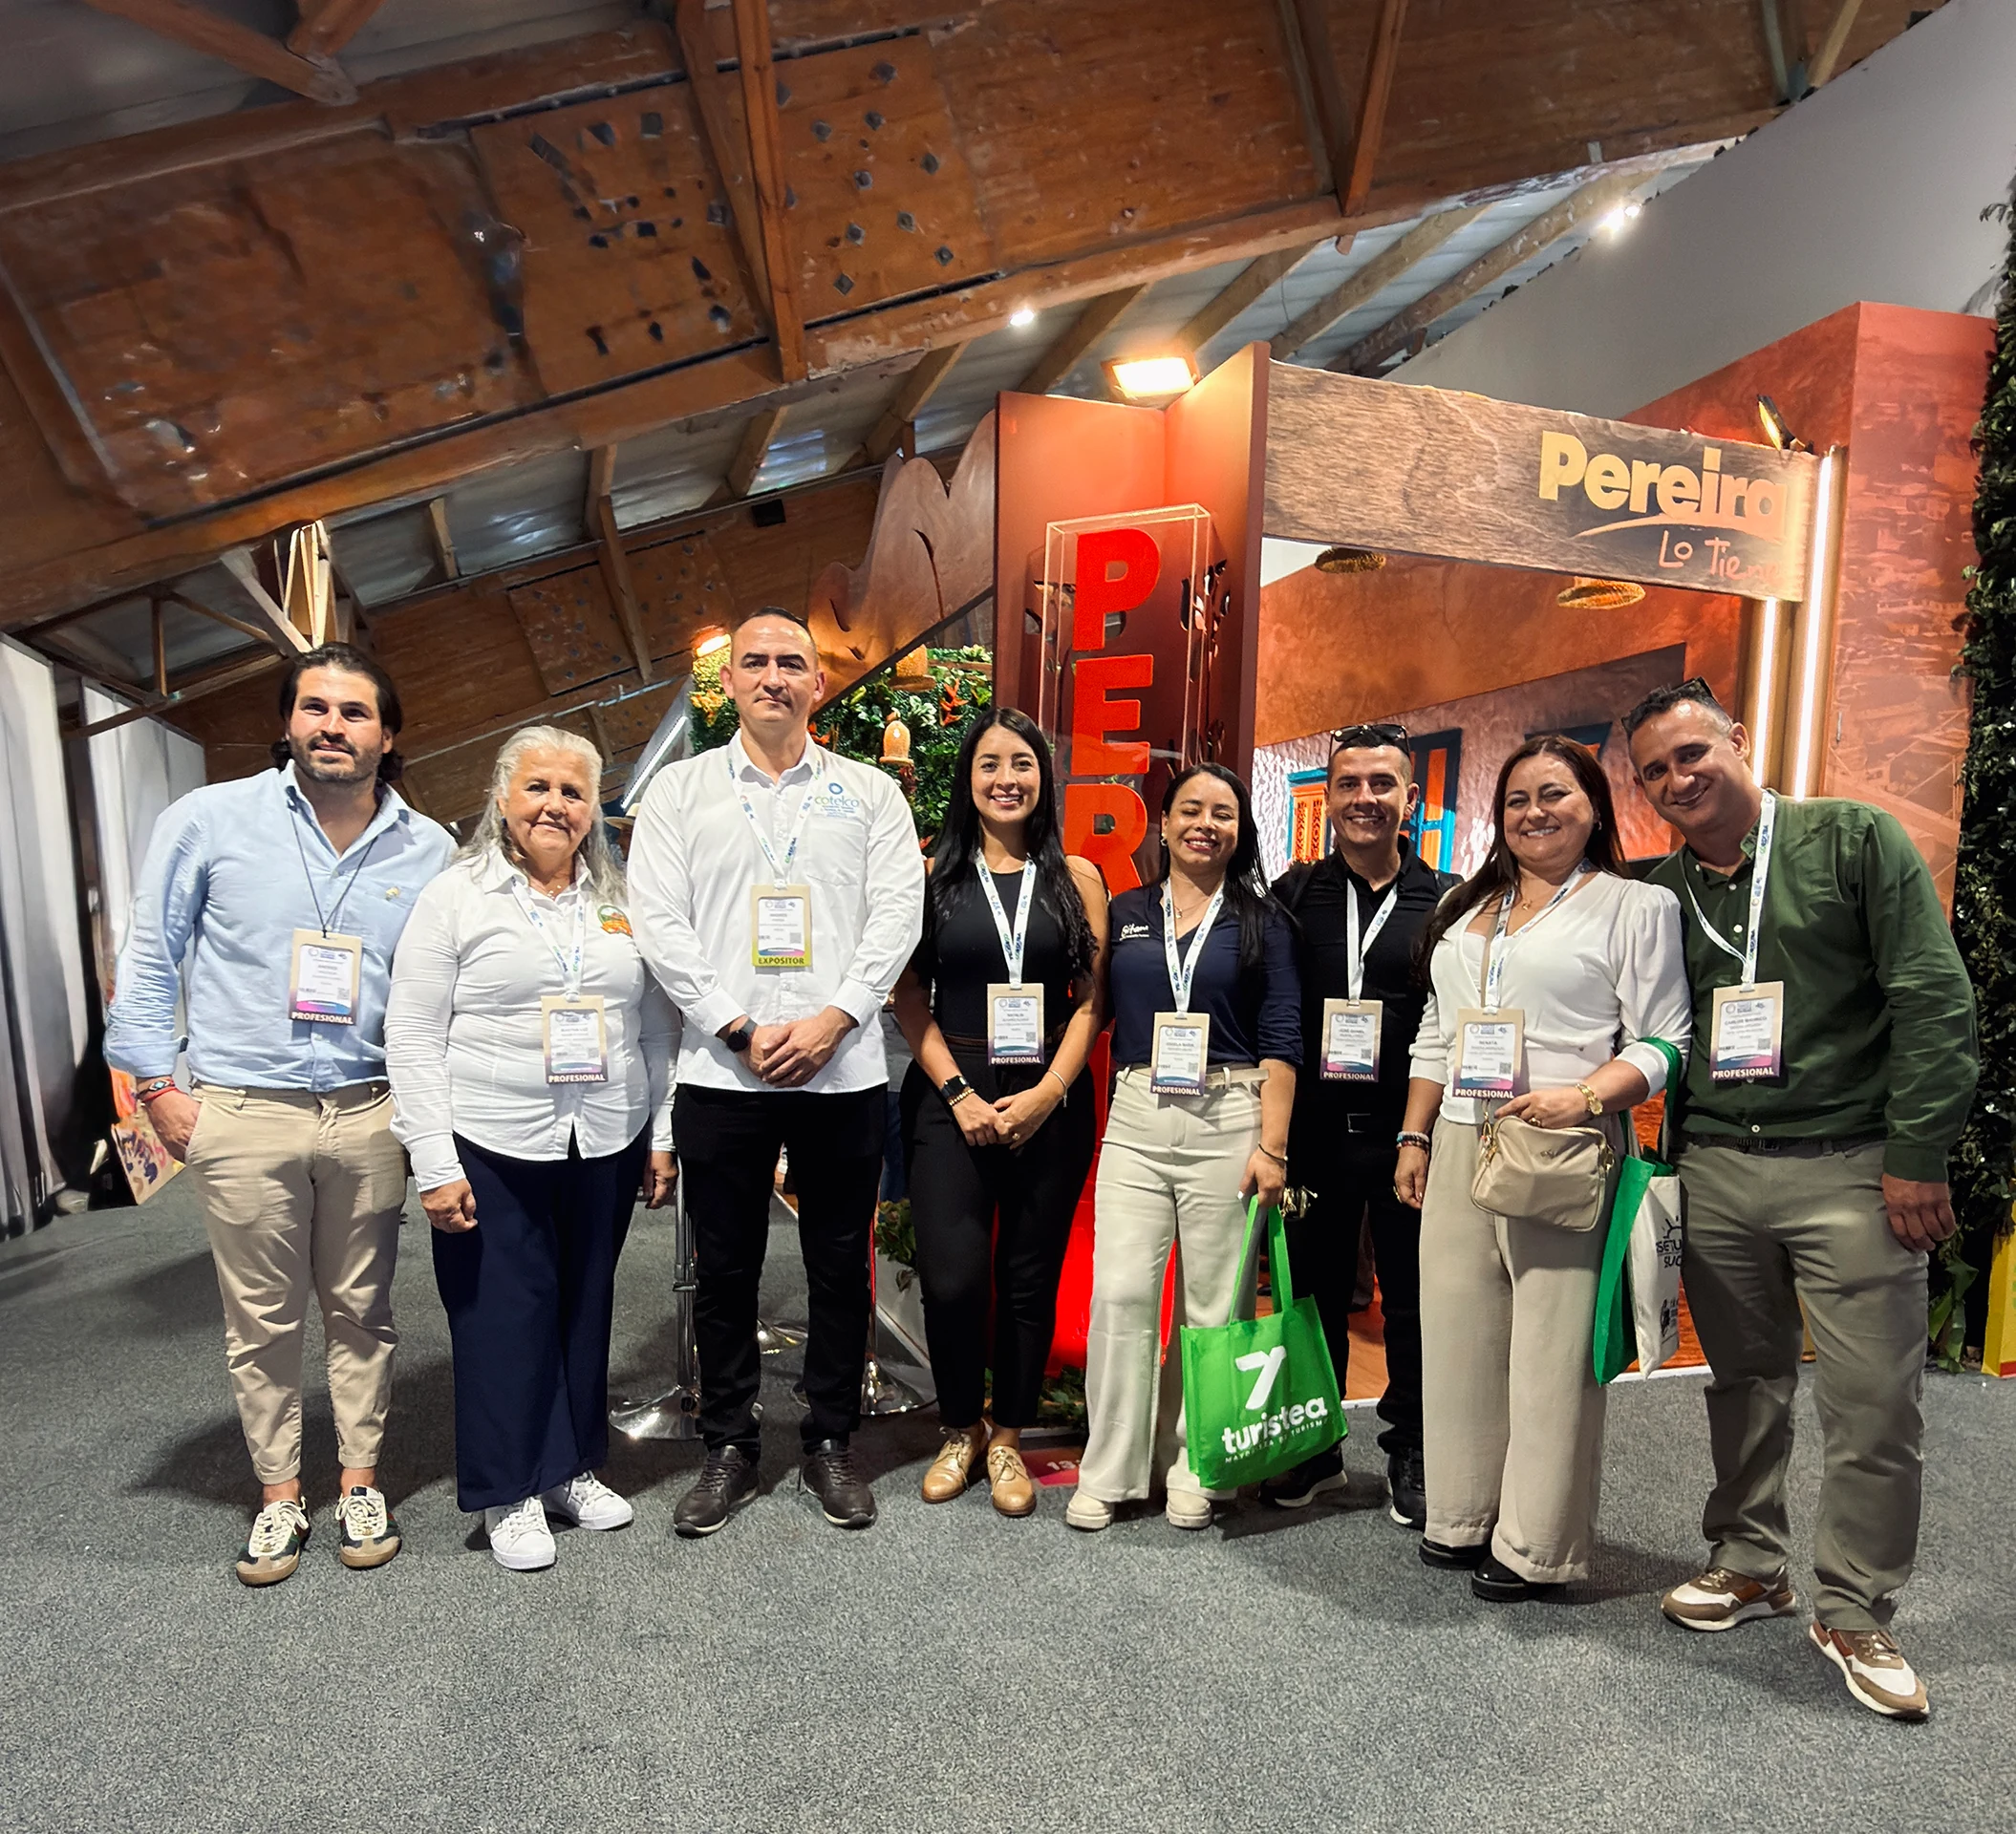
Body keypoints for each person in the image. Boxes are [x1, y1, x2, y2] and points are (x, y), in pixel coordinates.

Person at [1625, 680, 1977, 1720]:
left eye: (1693, 753)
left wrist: (1918, 1152)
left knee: (1873, 1401)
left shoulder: (1851, 841)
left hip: (1853, 1168)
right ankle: (1749, 1562)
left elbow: (1932, 995)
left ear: (1739, 740)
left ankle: (1855, 1607)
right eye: (1654, 771)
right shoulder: (1659, 893)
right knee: (1744, 1382)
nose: (1678, 779)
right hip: (1719, 1167)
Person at [104, 643, 455, 1586]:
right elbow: (150, 956)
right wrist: (156, 1088)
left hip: (368, 1111)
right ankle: (277, 1496)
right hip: (243, 1111)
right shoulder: (209, 820)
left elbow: (439, 992)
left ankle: (360, 1483)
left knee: (363, 1311)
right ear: (288, 722)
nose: (332, 727)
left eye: (354, 712)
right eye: (315, 708)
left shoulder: (428, 849)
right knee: (261, 1320)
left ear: (389, 735)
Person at [627, 609, 925, 1537]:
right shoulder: (679, 793)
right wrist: (736, 1025)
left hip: (842, 1070)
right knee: (725, 1268)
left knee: (838, 1263)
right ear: (728, 683)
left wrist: (837, 1018)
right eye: (753, 661)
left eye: (790, 662)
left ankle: (830, 1438)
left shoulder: (870, 793)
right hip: (725, 1071)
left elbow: (897, 914)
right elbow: (658, 921)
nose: (772, 676)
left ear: (816, 683)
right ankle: (728, 1443)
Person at [1396, 736, 1688, 1602]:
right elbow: (1437, 1031)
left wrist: (1587, 1097)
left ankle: (1536, 1545)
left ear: (1594, 806)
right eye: (1518, 799)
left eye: (1555, 794)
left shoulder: (1634, 905)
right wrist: (1414, 1136)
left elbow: (1666, 1038)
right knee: (1458, 1340)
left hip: (1563, 1142)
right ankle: (1462, 1514)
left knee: (1552, 1355)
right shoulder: (1468, 904)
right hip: (1460, 1136)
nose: (1535, 812)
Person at [385, 727, 677, 1571]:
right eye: (538, 788)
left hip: (606, 1135)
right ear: (502, 798)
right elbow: (412, 1033)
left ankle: (570, 1467)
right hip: (492, 1138)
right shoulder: (456, 896)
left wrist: (661, 1133)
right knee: (500, 1316)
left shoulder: (618, 901)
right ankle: (508, 1488)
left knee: (585, 1306)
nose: (556, 805)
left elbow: (655, 1028)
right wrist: (434, 1161)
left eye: (573, 791)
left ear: (594, 808)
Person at [1067, 763, 1300, 1532]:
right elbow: (1092, 1008)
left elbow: (1282, 1037)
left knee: (1214, 1305)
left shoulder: (1264, 921)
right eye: (1191, 809)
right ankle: (1111, 1468)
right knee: (1120, 1294)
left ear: (1240, 830)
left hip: (1230, 1113)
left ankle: (1198, 1464)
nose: (1206, 824)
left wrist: (1273, 1147)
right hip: (1137, 1113)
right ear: (1163, 824)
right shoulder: (1128, 912)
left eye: (1223, 813)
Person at [893, 709, 1108, 1516]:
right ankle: (961, 1428)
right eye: (990, 764)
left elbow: (1093, 1001)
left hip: (1051, 1098)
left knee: (1029, 1277)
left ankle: (1009, 1435)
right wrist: (959, 1094)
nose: (1006, 779)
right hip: (951, 1093)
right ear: (968, 779)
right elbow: (908, 995)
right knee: (952, 1280)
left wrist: (1050, 1093)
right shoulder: (933, 878)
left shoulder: (1078, 877)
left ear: (1043, 778)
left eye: (1022, 763)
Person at [1267, 723, 1453, 1525]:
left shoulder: (1448, 899)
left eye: (1383, 784)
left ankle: (1412, 1446)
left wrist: (1422, 1131)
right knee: (1311, 1295)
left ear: (1410, 798)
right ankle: (1315, 1447)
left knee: (1413, 1298)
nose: (1365, 798)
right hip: (1313, 1132)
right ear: (1330, 796)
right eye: (1350, 784)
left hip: (1408, 1133)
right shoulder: (1293, 893)